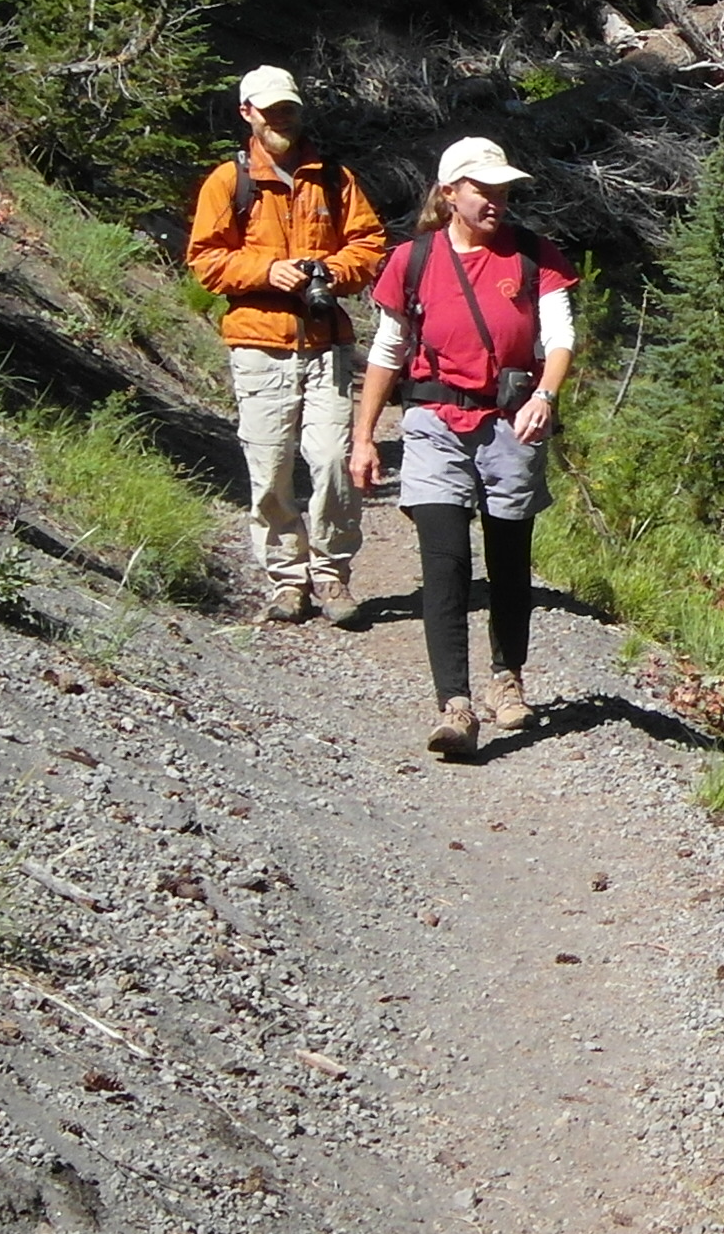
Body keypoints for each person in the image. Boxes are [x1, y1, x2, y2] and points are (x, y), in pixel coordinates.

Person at [349, 138, 577, 761]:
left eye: (503, 190)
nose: (496, 200)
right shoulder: (412, 260)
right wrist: (364, 436)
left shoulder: (534, 256)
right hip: (432, 422)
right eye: (483, 189)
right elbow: (387, 351)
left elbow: (559, 337)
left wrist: (545, 397)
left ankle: (508, 676)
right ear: (450, 193)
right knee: (444, 562)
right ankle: (454, 703)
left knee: (508, 557)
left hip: (512, 422)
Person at [185, 66, 391, 626]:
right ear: (247, 113)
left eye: (289, 110)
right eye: (270, 111)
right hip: (258, 343)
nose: (281, 121)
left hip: (325, 342)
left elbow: (370, 244)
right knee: (270, 466)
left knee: (329, 461)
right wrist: (265, 271)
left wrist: (330, 270)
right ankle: (285, 578)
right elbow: (204, 258)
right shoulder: (228, 182)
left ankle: (331, 575)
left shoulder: (333, 179)